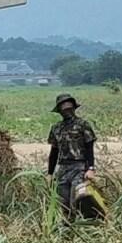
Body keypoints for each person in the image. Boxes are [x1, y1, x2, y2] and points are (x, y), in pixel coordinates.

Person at [46, 93, 97, 223]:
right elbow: (54, 151)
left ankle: (83, 223)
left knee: (78, 198)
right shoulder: (56, 128)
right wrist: (50, 173)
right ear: (60, 111)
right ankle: (68, 225)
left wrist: (91, 168)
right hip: (62, 168)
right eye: (64, 108)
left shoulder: (83, 125)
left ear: (74, 108)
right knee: (64, 201)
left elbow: (89, 147)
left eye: (69, 108)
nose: (67, 111)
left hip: (79, 167)